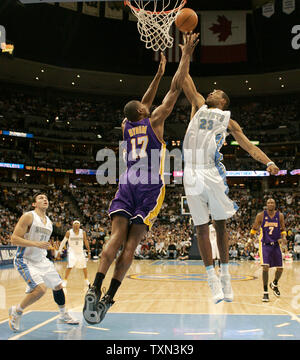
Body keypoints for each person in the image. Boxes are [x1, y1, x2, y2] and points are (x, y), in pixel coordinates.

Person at [83, 33, 199, 325]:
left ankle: (94, 286)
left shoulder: (126, 125)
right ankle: (108, 297)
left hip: (126, 182)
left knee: (115, 238)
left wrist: (157, 73)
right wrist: (184, 55)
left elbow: (141, 103)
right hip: (149, 187)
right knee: (131, 245)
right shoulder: (156, 120)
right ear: (145, 113)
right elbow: (175, 89)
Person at [181, 50, 279, 304]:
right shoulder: (199, 104)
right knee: (201, 227)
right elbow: (184, 79)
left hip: (210, 171)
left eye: (217, 92)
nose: (211, 92)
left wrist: (268, 161)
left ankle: (225, 276)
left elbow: (248, 146)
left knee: (221, 224)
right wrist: (185, 54)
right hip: (190, 170)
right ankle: (211, 278)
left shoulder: (228, 120)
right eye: (211, 91)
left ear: (223, 102)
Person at [9, 192, 79, 332]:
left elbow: (42, 243)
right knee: (41, 290)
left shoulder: (49, 223)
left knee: (58, 286)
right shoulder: (29, 216)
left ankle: (63, 314)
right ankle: (16, 311)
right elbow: (14, 239)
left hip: (41, 260)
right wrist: (36, 244)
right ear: (34, 204)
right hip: (25, 260)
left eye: (46, 198)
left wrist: (47, 247)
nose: (45, 199)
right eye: (41, 198)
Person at [250, 198, 287, 302]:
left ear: (275, 205)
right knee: (265, 267)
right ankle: (265, 292)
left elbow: (283, 229)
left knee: (280, 268)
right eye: (269, 203)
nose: (270, 204)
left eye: (272, 202)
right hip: (265, 244)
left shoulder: (280, 215)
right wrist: (249, 240)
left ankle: (274, 283)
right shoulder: (260, 215)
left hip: (276, 244)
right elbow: (254, 228)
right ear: (266, 205)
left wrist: (284, 238)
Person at [57, 220, 91, 287]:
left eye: (77, 223)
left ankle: (86, 280)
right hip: (72, 251)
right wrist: (59, 251)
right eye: (75, 223)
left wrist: (89, 251)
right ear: (73, 225)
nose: (76, 224)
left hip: (80, 251)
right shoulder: (69, 232)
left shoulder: (83, 232)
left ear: (79, 225)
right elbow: (63, 242)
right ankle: (65, 281)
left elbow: (86, 241)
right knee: (70, 266)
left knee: (84, 266)